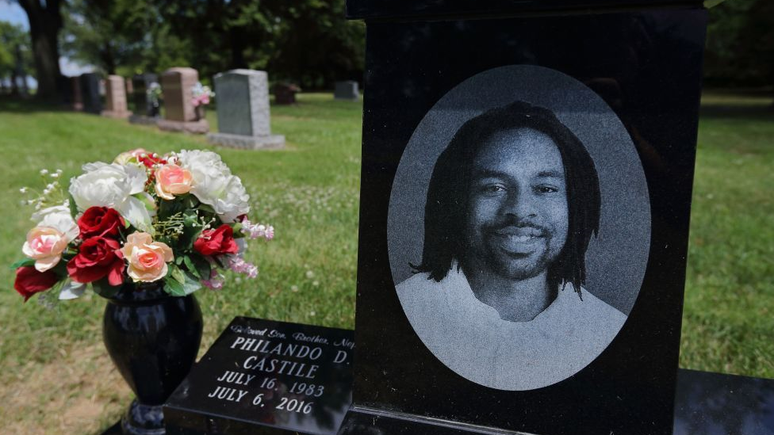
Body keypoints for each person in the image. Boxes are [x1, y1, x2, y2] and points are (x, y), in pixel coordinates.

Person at [396, 101, 626, 390]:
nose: (519, 210)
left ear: (575, 204)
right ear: (458, 199)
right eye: (494, 187)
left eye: (545, 189)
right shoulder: (402, 311)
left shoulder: (607, 330)